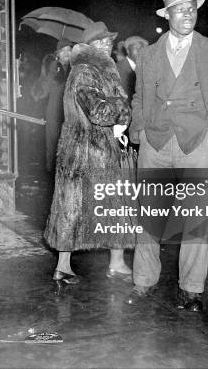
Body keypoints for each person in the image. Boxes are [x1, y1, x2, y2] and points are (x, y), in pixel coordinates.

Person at [128, 0, 208, 312]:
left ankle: (191, 289)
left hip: (197, 144)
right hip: (156, 142)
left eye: (191, 8)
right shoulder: (149, 54)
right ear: (168, 15)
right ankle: (142, 281)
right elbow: (138, 98)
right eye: (180, 9)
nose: (187, 14)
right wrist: (141, 131)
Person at [43, 21, 134, 284]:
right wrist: (120, 106)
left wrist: (120, 114)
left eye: (109, 40)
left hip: (98, 149)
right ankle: (64, 266)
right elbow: (98, 110)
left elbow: (117, 109)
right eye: (101, 41)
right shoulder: (85, 70)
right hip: (85, 152)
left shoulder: (104, 69)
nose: (107, 44)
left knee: (105, 207)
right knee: (75, 208)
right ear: (88, 46)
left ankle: (113, 263)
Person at [32, 40, 73, 172]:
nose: (67, 53)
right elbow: (42, 92)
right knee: (53, 142)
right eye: (63, 50)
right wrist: (51, 72)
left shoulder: (75, 68)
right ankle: (51, 173)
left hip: (71, 111)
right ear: (58, 53)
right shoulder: (53, 67)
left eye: (69, 49)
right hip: (55, 111)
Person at [116, 36, 149, 101]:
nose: (140, 51)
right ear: (128, 50)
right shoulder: (117, 69)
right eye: (136, 48)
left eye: (142, 48)